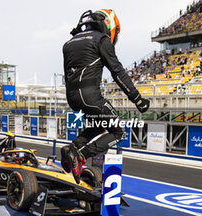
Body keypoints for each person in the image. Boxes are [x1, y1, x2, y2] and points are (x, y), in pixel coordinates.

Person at [62, 9, 149, 184]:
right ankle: (80, 156)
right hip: (90, 97)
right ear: (109, 25)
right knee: (119, 131)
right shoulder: (101, 40)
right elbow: (117, 72)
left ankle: (72, 147)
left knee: (98, 126)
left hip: (72, 98)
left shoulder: (69, 43)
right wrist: (137, 99)